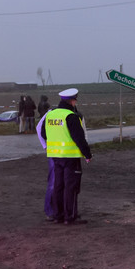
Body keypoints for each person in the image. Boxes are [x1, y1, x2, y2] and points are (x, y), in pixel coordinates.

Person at [40, 88, 92, 225]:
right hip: (71, 157)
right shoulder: (71, 116)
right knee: (71, 187)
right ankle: (70, 216)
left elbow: (44, 134)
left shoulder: (51, 115)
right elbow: (79, 138)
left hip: (55, 156)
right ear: (72, 101)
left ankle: (58, 215)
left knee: (59, 186)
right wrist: (87, 154)